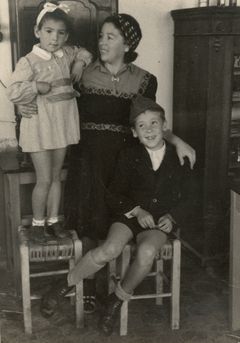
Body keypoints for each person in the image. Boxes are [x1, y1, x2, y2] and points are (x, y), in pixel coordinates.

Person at [19, 13, 195, 312]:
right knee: (89, 224)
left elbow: (149, 121)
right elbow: (49, 92)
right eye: (100, 35)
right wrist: (25, 103)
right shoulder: (82, 72)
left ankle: (104, 289)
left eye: (109, 37)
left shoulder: (144, 80)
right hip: (87, 160)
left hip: (124, 164)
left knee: (113, 225)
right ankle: (85, 288)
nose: (101, 42)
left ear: (127, 44)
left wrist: (177, 140)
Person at [40, 94, 195, 335]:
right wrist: (136, 210)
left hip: (158, 223)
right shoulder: (128, 155)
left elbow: (189, 196)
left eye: (154, 123)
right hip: (130, 217)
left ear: (165, 126)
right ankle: (63, 284)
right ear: (134, 133)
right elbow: (113, 194)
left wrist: (172, 217)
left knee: (147, 251)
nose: (149, 130)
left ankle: (117, 299)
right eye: (141, 126)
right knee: (110, 249)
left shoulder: (179, 157)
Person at [6, 2, 92, 242]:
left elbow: (85, 52)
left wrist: (80, 63)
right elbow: (13, 91)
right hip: (41, 126)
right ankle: (37, 224)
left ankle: (54, 221)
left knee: (56, 177)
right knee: (43, 178)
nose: (54, 38)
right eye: (49, 31)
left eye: (61, 33)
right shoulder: (29, 61)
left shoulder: (67, 53)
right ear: (37, 32)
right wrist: (34, 86)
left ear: (66, 35)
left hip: (62, 124)